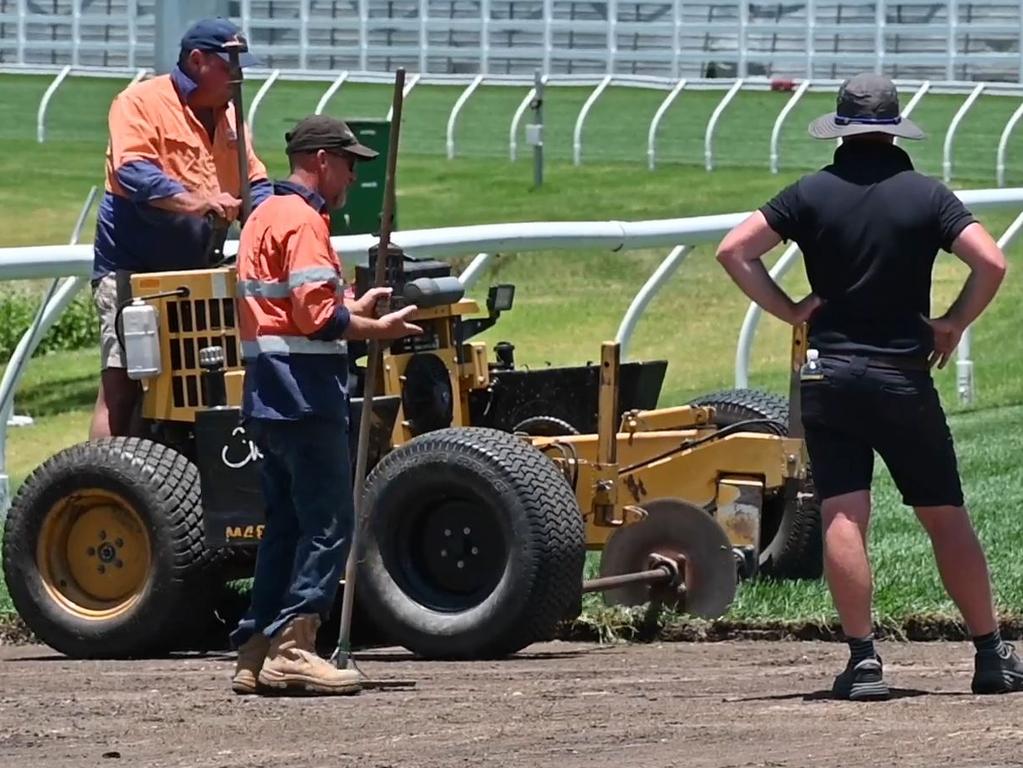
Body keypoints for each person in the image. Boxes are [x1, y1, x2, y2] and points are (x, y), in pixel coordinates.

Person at [715, 73, 1021, 700]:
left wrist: (790, 310)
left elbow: (734, 251)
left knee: (844, 513)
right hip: (901, 378)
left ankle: (863, 661)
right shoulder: (926, 196)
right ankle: (991, 654)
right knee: (945, 517)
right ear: (893, 127)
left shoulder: (809, 194)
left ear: (841, 128)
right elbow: (992, 262)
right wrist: (953, 323)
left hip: (828, 374)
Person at [229, 115, 422, 696]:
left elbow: (293, 305)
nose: (352, 175)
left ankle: (256, 649)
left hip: (268, 394)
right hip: (306, 394)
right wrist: (375, 326)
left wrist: (355, 302)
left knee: (285, 526)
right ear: (320, 160)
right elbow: (320, 320)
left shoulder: (263, 215)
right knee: (329, 523)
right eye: (348, 163)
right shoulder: (305, 221)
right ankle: (295, 646)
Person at [90, 17, 273, 439]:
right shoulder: (139, 102)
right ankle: (105, 480)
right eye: (231, 67)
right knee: (123, 386)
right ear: (197, 61)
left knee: (194, 388)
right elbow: (134, 173)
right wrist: (200, 201)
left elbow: (254, 183)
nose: (239, 78)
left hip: (194, 276)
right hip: (132, 274)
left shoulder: (231, 119)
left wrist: (273, 219)